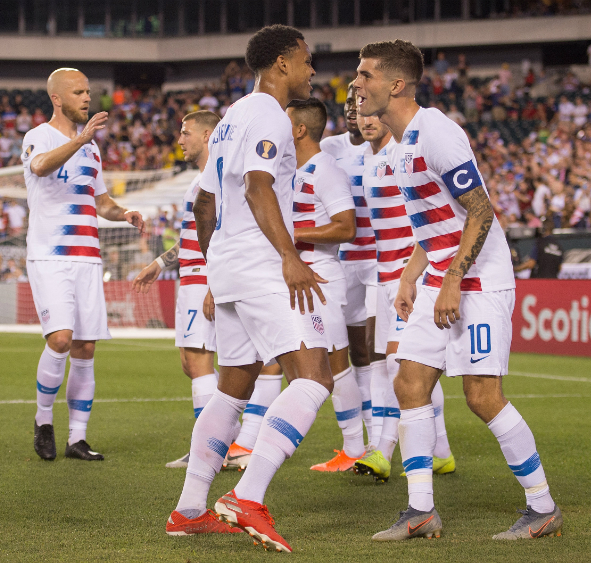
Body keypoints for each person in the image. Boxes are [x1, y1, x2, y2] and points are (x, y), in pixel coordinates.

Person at [354, 39, 561, 542]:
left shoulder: (437, 133)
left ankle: (543, 507)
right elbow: (436, 223)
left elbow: (481, 210)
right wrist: (410, 276)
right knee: (409, 381)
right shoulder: (399, 146)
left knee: (482, 396)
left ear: (396, 85)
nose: (356, 84)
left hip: (479, 281)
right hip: (438, 278)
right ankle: (420, 510)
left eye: (365, 75)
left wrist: (452, 279)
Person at [166, 25, 332, 553]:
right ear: (282, 62)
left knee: (233, 386)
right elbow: (259, 186)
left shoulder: (230, 117)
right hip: (262, 264)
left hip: (228, 264)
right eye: (306, 60)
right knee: (314, 376)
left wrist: (216, 265)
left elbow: (204, 203)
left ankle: (190, 509)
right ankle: (247, 496)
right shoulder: (268, 115)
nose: (311, 70)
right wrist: (289, 256)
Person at [21, 67, 144, 463]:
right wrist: (80, 139)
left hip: (87, 257)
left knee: (85, 347)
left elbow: (101, 201)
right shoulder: (39, 136)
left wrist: (123, 213)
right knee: (60, 339)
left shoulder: (91, 148)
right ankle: (43, 420)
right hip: (50, 255)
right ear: (57, 98)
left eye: (88, 91)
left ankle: (78, 438)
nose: (87, 98)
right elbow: (39, 167)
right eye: (78, 92)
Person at [353, 113, 454, 483]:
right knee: (388, 363)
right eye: (359, 109)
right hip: (383, 276)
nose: (366, 118)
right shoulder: (367, 161)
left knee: (400, 363)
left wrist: (416, 272)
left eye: (372, 110)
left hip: (409, 274)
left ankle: (383, 450)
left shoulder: (403, 153)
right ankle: (440, 452)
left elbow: (427, 212)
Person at [133, 110, 228, 470]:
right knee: (192, 364)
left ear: (207, 136)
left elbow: (223, 234)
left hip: (204, 279)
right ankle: (221, 440)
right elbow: (191, 235)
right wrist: (160, 263)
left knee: (200, 362)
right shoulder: (198, 181)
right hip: (190, 277)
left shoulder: (217, 179)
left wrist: (215, 283)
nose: (179, 140)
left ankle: (210, 450)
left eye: (186, 133)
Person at [285, 98, 363, 471]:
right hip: (294, 277)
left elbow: (346, 227)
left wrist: (294, 235)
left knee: (335, 363)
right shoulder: (288, 169)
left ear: (300, 129)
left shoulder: (325, 170)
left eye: (285, 122)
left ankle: (354, 447)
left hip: (320, 278)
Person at [319, 81, 379, 454]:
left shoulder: (385, 146)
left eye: (360, 103)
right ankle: (362, 444)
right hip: (344, 263)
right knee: (353, 354)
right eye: (350, 105)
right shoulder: (329, 149)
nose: (354, 111)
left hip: (379, 260)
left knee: (379, 353)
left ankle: (383, 442)